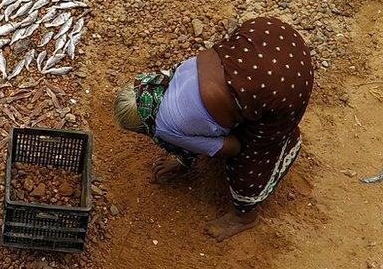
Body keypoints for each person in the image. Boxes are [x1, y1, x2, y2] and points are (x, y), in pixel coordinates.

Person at [114, 17, 314, 241]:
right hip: (272, 36)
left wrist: (187, 148)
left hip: (284, 88)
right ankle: (271, 122)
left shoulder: (163, 127)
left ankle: (244, 217)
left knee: (250, 155)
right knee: (239, 103)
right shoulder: (169, 76)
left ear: (143, 126)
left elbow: (233, 147)